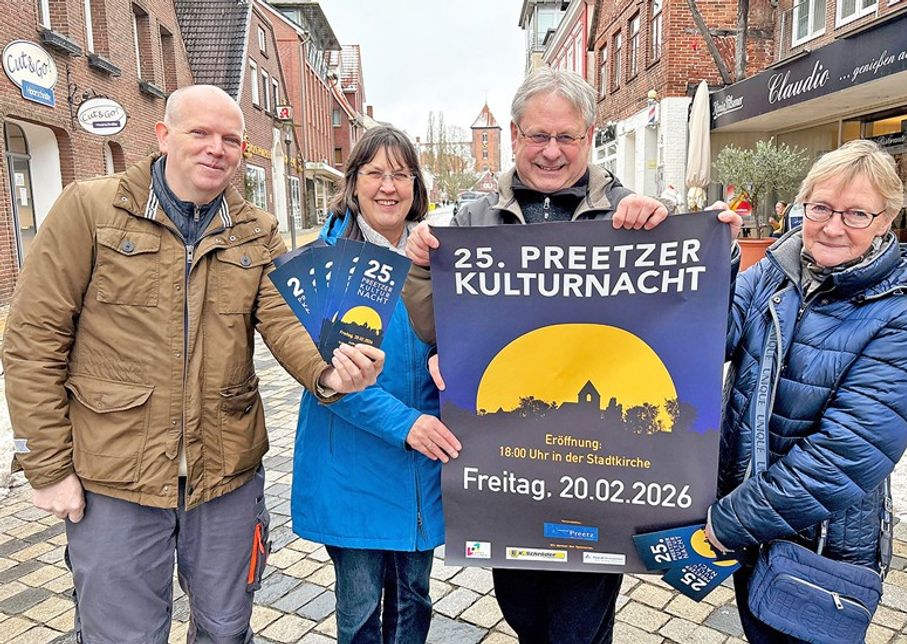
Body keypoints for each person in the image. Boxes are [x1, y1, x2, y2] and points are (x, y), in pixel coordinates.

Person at [2, 85, 384, 643]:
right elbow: (33, 342)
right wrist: (49, 467)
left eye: (231, 139)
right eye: (200, 133)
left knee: (227, 631)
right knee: (120, 636)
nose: (216, 149)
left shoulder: (255, 229)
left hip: (225, 477)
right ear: (162, 137)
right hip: (113, 478)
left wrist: (329, 372)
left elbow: (285, 321)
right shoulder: (90, 209)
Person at [404, 66, 740, 644]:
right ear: (514, 135)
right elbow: (435, 326)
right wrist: (419, 263)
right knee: (525, 613)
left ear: (590, 136)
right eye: (538, 136)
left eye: (567, 137)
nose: (552, 152)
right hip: (511, 481)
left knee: (578, 625)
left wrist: (715, 249)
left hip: (604, 483)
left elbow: (694, 315)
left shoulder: (638, 215)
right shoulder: (473, 220)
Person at [704, 139, 907, 643]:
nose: (833, 225)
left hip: (816, 545)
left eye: (857, 213)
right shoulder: (779, 271)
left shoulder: (902, 317)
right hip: (749, 520)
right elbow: (710, 337)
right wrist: (716, 257)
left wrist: (729, 521)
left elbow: (847, 455)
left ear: (887, 220)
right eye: (820, 207)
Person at [292, 126, 461, 644]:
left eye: (401, 173)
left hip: (422, 464)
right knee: (362, 610)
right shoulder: (328, 261)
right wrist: (406, 424)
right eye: (375, 173)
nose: (389, 186)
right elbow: (335, 378)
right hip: (355, 466)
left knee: (414, 602)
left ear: (417, 184)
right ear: (354, 182)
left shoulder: (441, 256)